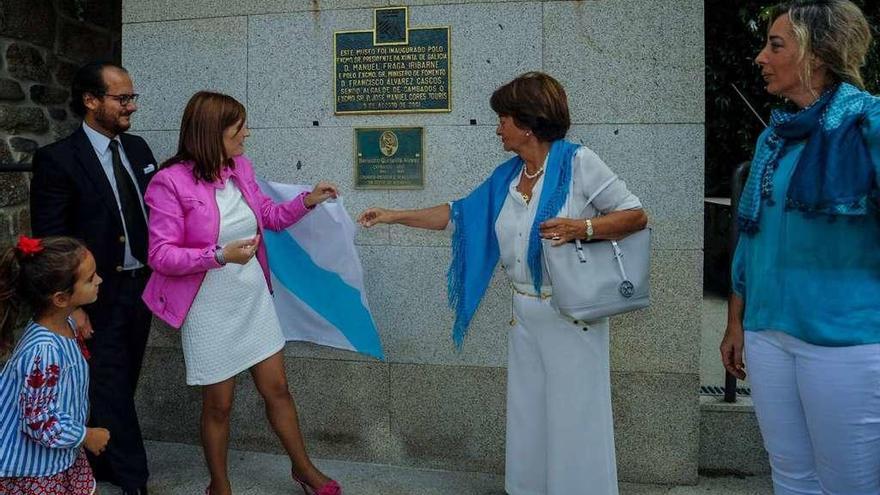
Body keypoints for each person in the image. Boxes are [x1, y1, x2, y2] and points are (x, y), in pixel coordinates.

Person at [358, 72, 647, 495]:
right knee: (529, 413)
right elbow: (459, 214)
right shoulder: (509, 176)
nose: (497, 128)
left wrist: (580, 227)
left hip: (572, 315)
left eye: (503, 118)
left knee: (575, 417)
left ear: (527, 123)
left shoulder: (578, 162)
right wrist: (394, 215)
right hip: (524, 315)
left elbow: (635, 215)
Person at [140, 91, 341, 495]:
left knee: (278, 389)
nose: (246, 134)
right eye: (238, 128)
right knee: (220, 404)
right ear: (213, 133)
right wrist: (217, 255)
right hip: (207, 306)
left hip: (250, 299)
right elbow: (160, 255)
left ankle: (304, 469)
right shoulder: (169, 182)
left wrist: (308, 201)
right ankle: (220, 484)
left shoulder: (240, 168)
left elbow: (268, 216)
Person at [720, 1, 880, 494]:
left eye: (775, 45)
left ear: (816, 54)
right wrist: (736, 321)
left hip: (846, 341)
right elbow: (751, 236)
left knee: (850, 486)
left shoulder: (866, 123)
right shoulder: (775, 138)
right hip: (767, 335)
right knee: (790, 478)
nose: (760, 57)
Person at [29, 61, 156, 494]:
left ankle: (99, 460)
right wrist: (74, 308)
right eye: (122, 98)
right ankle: (134, 477)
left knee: (122, 379)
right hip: (96, 294)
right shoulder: (58, 160)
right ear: (90, 100)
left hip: (143, 289)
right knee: (111, 382)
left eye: (131, 97)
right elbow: (52, 241)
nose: (131, 107)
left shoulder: (139, 151)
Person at [0, 236, 110, 494]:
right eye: (90, 278)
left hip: (58, 455)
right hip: (33, 468)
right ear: (60, 299)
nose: (99, 280)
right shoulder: (44, 351)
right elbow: (39, 420)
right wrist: (86, 436)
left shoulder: (65, 323)